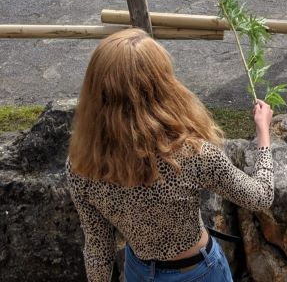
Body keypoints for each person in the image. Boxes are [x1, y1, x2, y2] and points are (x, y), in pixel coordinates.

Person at [66, 28, 274, 282]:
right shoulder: (194, 155)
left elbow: (98, 249)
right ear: (161, 85)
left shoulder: (82, 165)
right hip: (198, 273)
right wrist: (263, 133)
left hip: (138, 272)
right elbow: (261, 197)